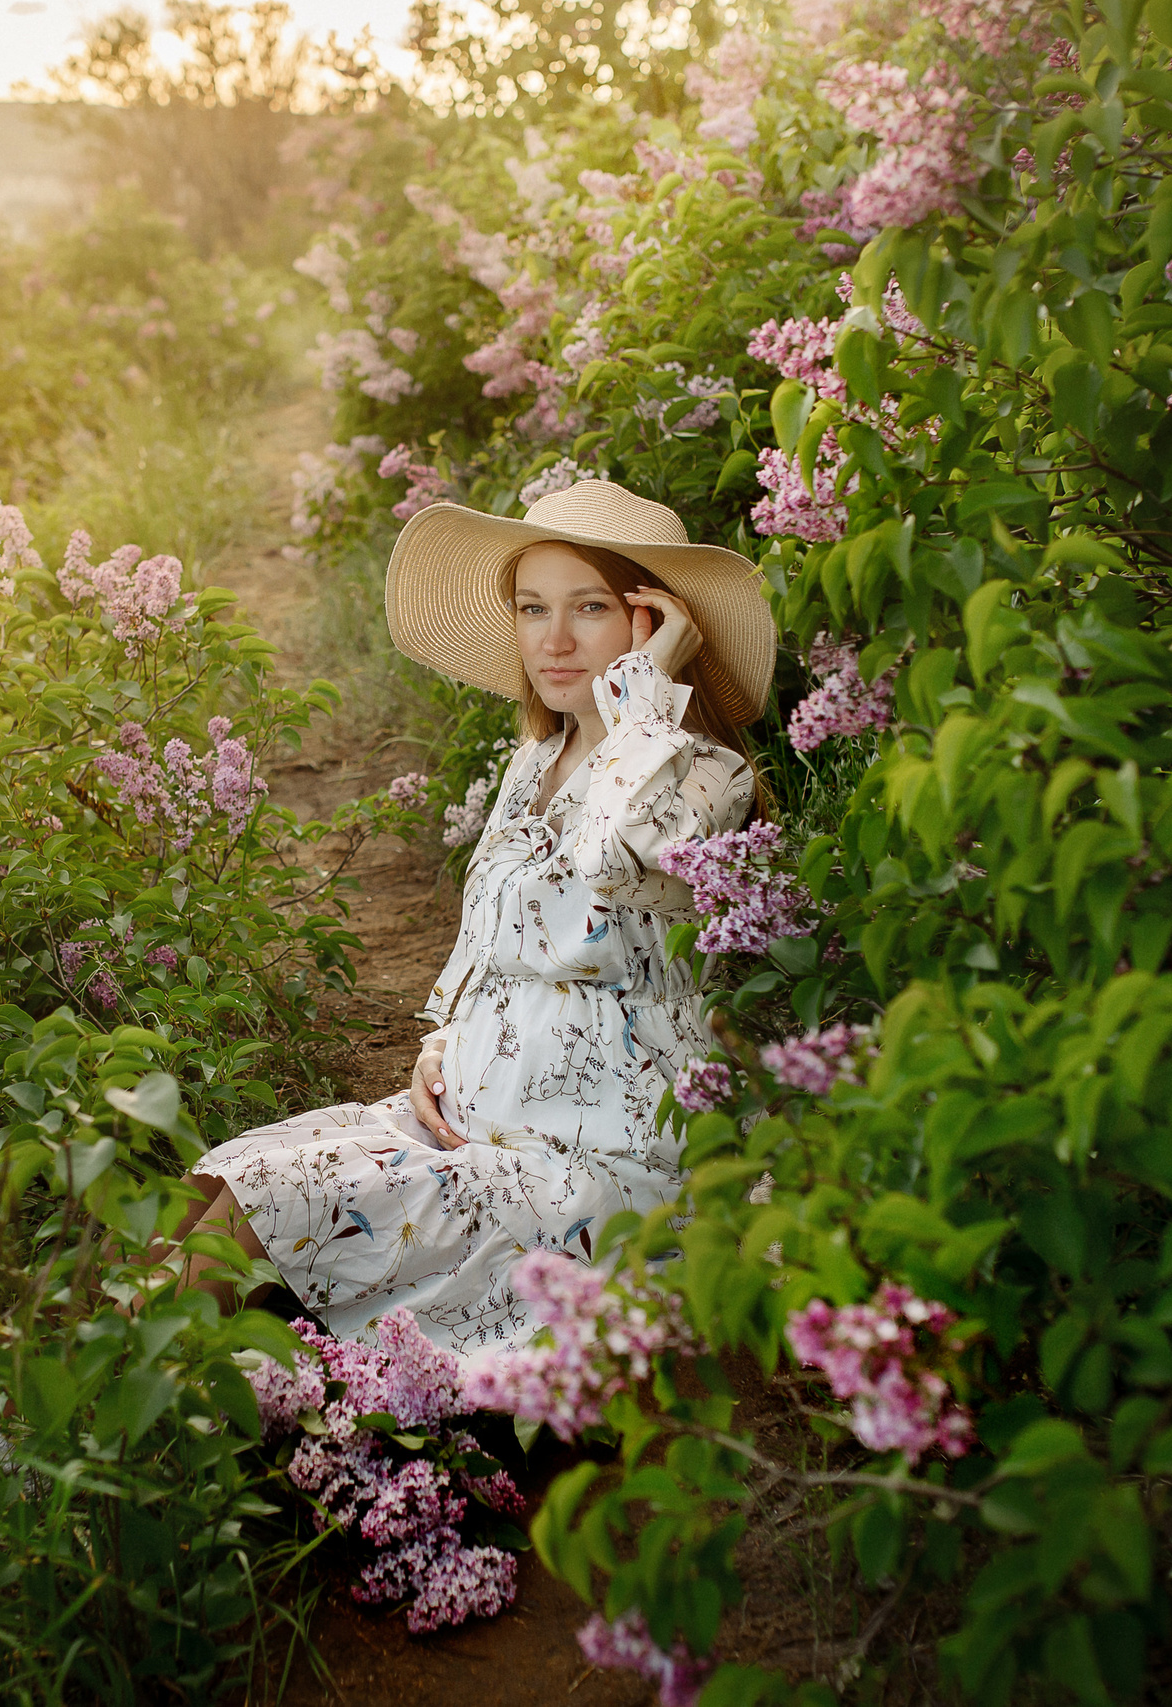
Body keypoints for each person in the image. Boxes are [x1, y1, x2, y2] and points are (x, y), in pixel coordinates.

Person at [153, 478, 777, 1352]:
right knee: (224, 1184)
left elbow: (614, 860)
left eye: (590, 607)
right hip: (480, 1119)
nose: (552, 640)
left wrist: (644, 696)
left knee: (279, 1205)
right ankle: (53, 1404)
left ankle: (87, 1441)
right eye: (531, 608)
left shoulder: (702, 776)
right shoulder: (536, 759)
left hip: (594, 1166)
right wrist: (443, 1042)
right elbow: (492, 937)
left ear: (654, 622)